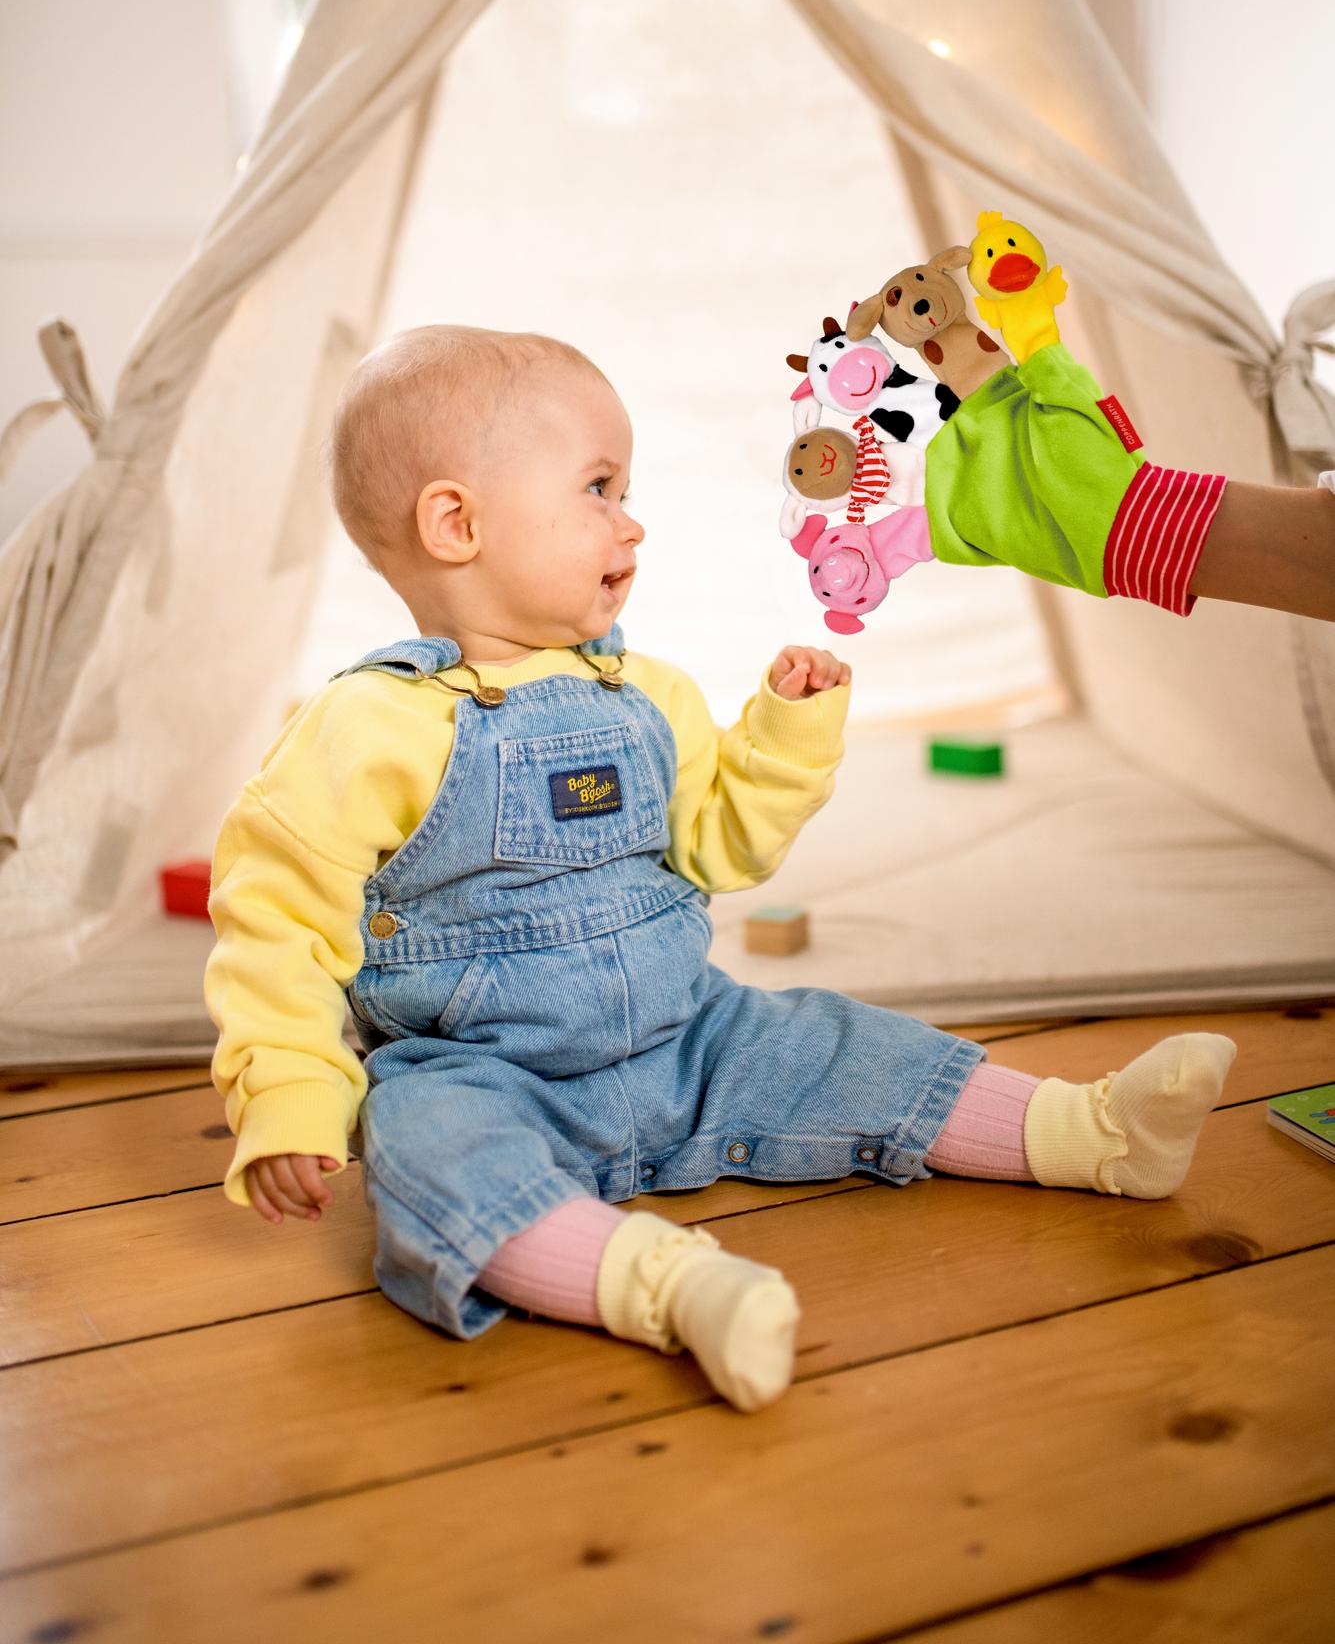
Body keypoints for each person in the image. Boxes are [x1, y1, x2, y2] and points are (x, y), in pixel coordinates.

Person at [205, 325, 1244, 1414]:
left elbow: (718, 845)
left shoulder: (648, 693)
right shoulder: (364, 726)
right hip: (483, 1072)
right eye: (598, 488)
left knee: (838, 1043)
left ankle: (1092, 1132)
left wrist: (784, 737)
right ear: (456, 523)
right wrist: (291, 1096)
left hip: (693, 1034)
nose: (631, 520)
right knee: (432, 1157)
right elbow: (276, 929)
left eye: (626, 490)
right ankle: (669, 1285)